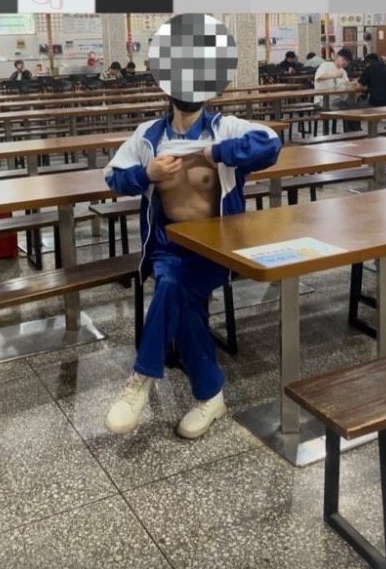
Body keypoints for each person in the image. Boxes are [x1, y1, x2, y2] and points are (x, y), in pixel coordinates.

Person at [104, 99, 281, 439]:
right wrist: (147, 174)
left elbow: (271, 145)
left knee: (173, 287)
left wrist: (220, 153)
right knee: (179, 296)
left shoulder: (225, 128)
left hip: (217, 250)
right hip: (168, 248)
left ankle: (142, 378)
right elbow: (114, 176)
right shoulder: (149, 137)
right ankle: (211, 396)